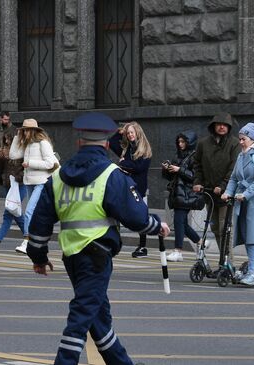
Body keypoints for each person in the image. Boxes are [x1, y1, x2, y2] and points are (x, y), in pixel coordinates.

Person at [26, 112, 170, 365]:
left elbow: (39, 223)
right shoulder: (111, 175)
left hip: (72, 257)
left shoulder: (58, 177)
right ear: (106, 144)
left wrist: (38, 256)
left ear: (79, 142)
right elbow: (135, 216)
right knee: (81, 318)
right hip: (97, 256)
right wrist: (156, 226)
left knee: (99, 320)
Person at [221, 122, 254, 286]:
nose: (240, 142)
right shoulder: (242, 155)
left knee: (253, 237)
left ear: (252, 139)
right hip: (242, 202)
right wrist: (228, 192)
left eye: (243, 139)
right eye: (240, 139)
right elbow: (234, 178)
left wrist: (246, 194)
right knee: (247, 236)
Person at [193, 112, 241, 259]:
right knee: (214, 228)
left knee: (225, 228)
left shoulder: (234, 144)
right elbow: (197, 165)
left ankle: (228, 262)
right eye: (219, 124)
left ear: (229, 127)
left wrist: (223, 185)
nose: (221, 127)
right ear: (213, 126)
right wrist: (198, 182)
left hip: (226, 193)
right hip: (209, 192)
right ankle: (223, 259)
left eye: (225, 125)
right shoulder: (203, 143)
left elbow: (234, 167)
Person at [9, 118, 58, 254]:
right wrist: (16, 137)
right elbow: (13, 155)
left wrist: (30, 163)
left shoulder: (43, 143)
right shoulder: (27, 144)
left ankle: (26, 241)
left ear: (33, 131)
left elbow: (50, 164)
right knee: (34, 212)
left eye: (25, 131)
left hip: (42, 182)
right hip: (29, 181)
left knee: (29, 211)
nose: (24, 133)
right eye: (22, 131)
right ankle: (37, 241)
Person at [108, 121, 152, 258]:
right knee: (116, 213)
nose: (130, 135)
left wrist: (123, 163)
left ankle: (143, 246)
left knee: (140, 216)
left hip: (138, 187)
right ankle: (114, 242)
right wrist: (120, 131)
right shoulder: (127, 148)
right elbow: (112, 142)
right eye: (128, 133)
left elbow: (139, 168)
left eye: (132, 132)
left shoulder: (145, 150)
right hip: (125, 186)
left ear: (138, 132)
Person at [162, 131, 202, 262]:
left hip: (188, 193)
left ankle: (178, 250)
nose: (180, 144)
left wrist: (179, 170)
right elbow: (171, 177)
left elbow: (195, 176)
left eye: (183, 142)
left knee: (179, 221)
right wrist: (167, 169)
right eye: (179, 142)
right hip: (177, 193)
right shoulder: (177, 155)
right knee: (182, 223)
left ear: (189, 142)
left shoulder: (195, 156)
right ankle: (201, 242)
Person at [0, 131, 26, 251]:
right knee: (15, 213)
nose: (7, 142)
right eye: (5, 139)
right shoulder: (3, 150)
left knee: (9, 212)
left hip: (19, 185)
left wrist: (19, 176)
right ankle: (29, 239)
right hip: (8, 184)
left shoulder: (21, 151)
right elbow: (1, 169)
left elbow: (25, 168)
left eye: (9, 139)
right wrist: (0, 158)